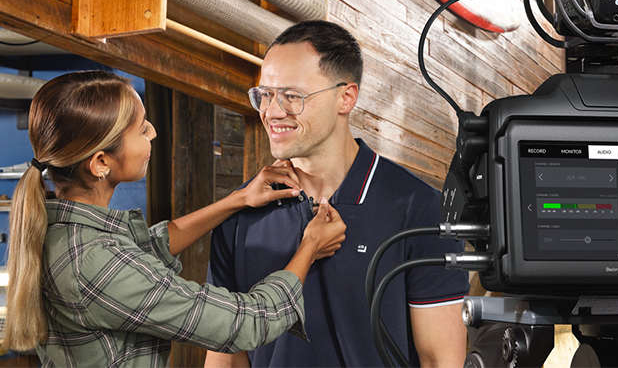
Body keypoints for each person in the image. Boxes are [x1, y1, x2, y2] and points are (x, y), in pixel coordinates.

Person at [2, 70, 347, 367]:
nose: (152, 132)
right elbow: (245, 323)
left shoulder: (62, 231)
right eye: (140, 129)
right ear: (100, 163)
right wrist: (310, 247)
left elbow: (147, 248)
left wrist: (238, 199)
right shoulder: (92, 261)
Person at [205, 20, 470, 368]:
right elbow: (228, 356)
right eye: (265, 94)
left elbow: (440, 360)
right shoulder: (238, 214)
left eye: (292, 96)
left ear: (345, 97)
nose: (271, 111)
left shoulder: (420, 210)